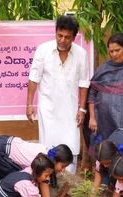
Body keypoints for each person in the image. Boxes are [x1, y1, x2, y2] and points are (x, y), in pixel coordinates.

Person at [26, 15, 90, 173]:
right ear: (55, 33)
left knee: (72, 146)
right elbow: (34, 79)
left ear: (74, 37)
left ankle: (69, 186)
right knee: (48, 146)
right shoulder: (43, 50)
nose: (62, 40)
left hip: (70, 111)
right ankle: (48, 181)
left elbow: (83, 83)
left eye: (67, 37)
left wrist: (82, 109)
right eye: (59, 36)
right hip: (48, 109)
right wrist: (29, 104)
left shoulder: (81, 54)